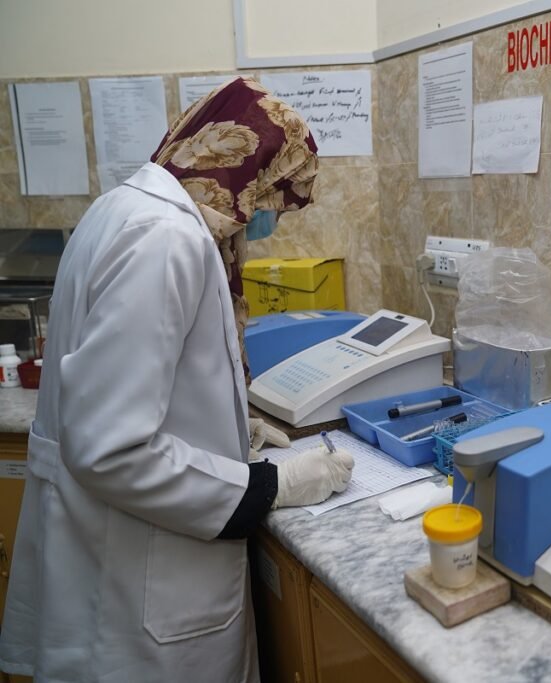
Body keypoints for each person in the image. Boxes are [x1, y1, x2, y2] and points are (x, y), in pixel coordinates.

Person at [0, 77, 353, 682]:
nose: (267, 217)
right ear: (243, 168)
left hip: (109, 554)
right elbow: (111, 448)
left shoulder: (124, 208)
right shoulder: (166, 239)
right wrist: (269, 486)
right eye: (271, 195)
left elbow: (132, 384)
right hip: (143, 589)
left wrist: (227, 430)